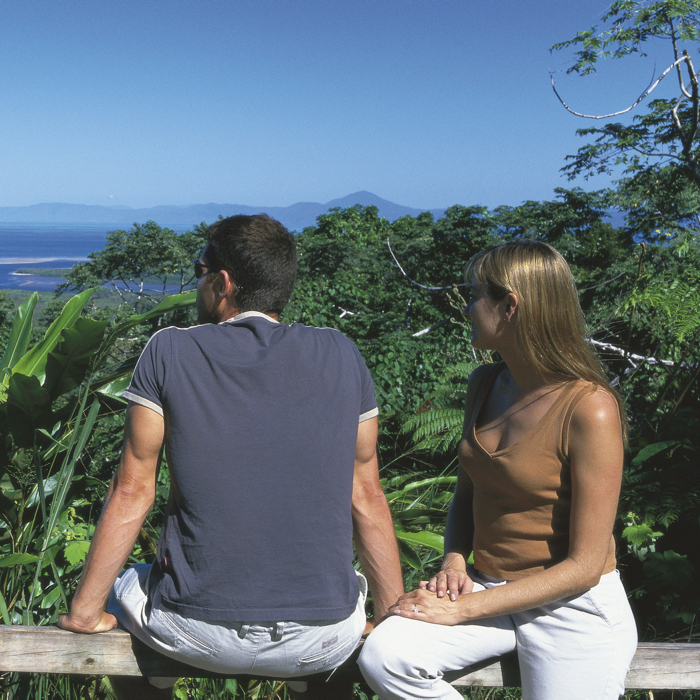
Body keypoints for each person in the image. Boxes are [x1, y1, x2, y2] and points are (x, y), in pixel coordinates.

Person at [56, 214, 403, 698]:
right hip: (322, 636)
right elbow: (367, 496)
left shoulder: (169, 350)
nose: (196, 282)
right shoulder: (342, 353)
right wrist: (390, 620)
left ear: (222, 283)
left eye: (199, 271)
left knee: (123, 588)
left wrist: (82, 613)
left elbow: (132, 491)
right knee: (339, 608)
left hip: (195, 630)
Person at [358, 241, 636, 699]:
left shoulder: (590, 408)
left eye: (474, 296)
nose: (467, 308)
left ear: (510, 306)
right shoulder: (485, 383)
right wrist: (454, 560)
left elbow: (585, 567)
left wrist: (459, 610)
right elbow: (467, 496)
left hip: (571, 606)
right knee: (386, 657)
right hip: (487, 586)